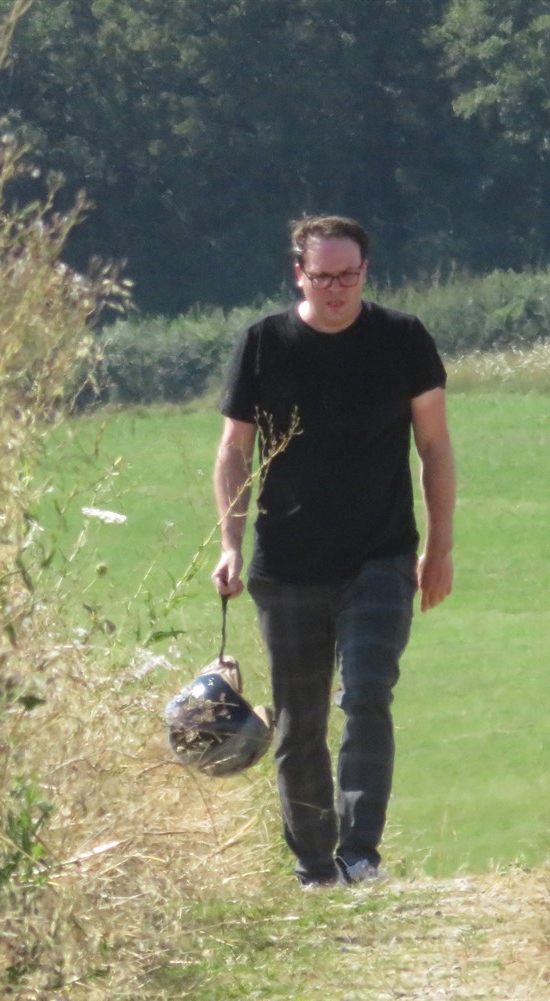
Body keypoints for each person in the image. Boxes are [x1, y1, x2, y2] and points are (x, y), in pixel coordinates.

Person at [211, 215, 455, 888]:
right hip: (287, 565)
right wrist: (230, 545)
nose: (338, 289)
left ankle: (361, 854)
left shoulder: (403, 339)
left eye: (349, 275)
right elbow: (232, 452)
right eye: (323, 277)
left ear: (365, 273)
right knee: (299, 722)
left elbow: (435, 447)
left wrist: (440, 548)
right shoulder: (264, 345)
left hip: (381, 557)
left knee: (368, 693)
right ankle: (316, 867)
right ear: (300, 275)